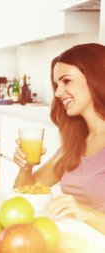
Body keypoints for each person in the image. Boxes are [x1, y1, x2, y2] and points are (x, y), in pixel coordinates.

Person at [13, 43, 105, 234]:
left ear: (96, 77)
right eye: (56, 84)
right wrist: (26, 168)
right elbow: (24, 195)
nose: (58, 92)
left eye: (66, 81)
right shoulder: (74, 145)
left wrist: (85, 213)